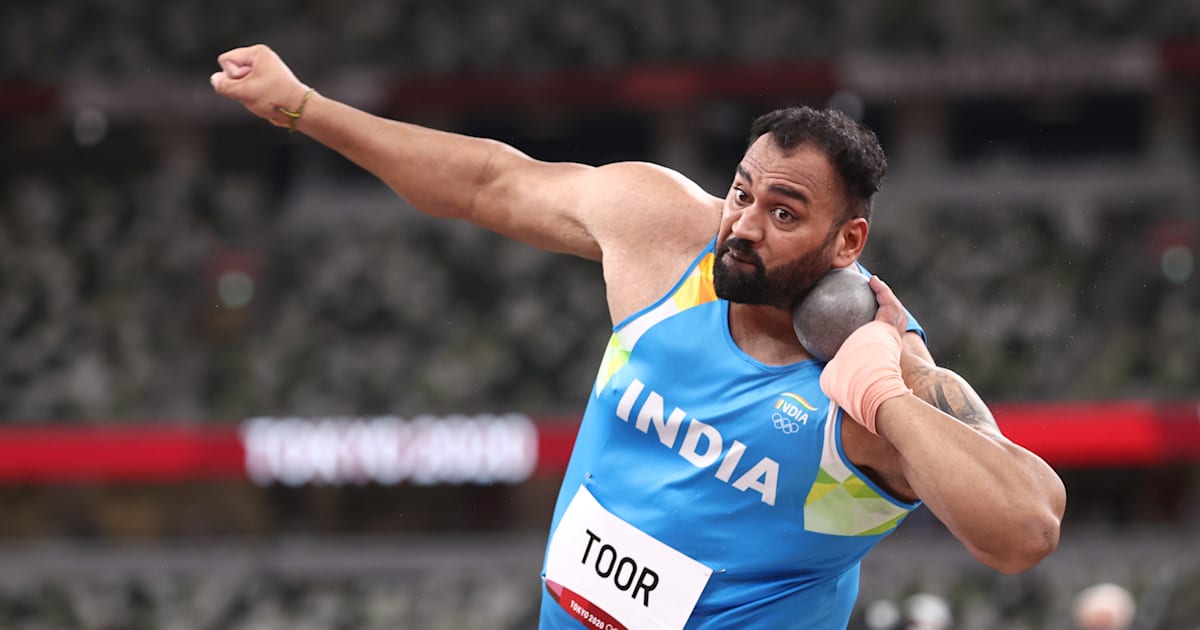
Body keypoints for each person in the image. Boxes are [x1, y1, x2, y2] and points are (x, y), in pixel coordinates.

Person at [211, 44, 1066, 629]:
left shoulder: (886, 369)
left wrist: (883, 394)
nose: (744, 224)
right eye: (743, 192)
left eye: (784, 213)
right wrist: (303, 107)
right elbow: (486, 182)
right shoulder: (668, 240)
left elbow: (1025, 529)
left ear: (849, 241)